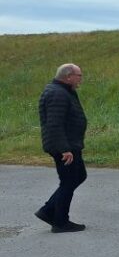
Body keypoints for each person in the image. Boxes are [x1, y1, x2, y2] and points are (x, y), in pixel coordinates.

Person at [35, 63, 88, 233]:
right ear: (68, 76)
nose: (81, 79)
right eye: (79, 76)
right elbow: (54, 124)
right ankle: (60, 222)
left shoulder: (64, 91)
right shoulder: (57, 93)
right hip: (64, 146)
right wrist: (64, 149)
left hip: (70, 144)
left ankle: (48, 211)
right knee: (69, 181)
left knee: (78, 176)